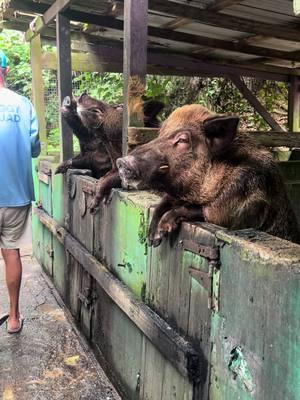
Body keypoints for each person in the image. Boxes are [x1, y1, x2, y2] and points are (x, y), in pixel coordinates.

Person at [0, 49, 40, 333]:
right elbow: (35, 147)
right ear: (5, 72)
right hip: (15, 194)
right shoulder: (22, 103)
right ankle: (14, 318)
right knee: (11, 252)